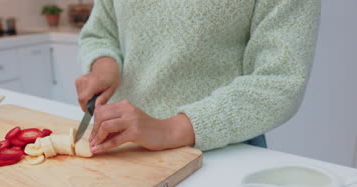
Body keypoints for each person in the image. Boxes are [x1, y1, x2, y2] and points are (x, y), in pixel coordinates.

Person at [75, 0, 321, 154]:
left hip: (218, 158)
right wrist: (104, 66)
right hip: (124, 149)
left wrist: (170, 130)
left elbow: (279, 80)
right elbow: (100, 32)